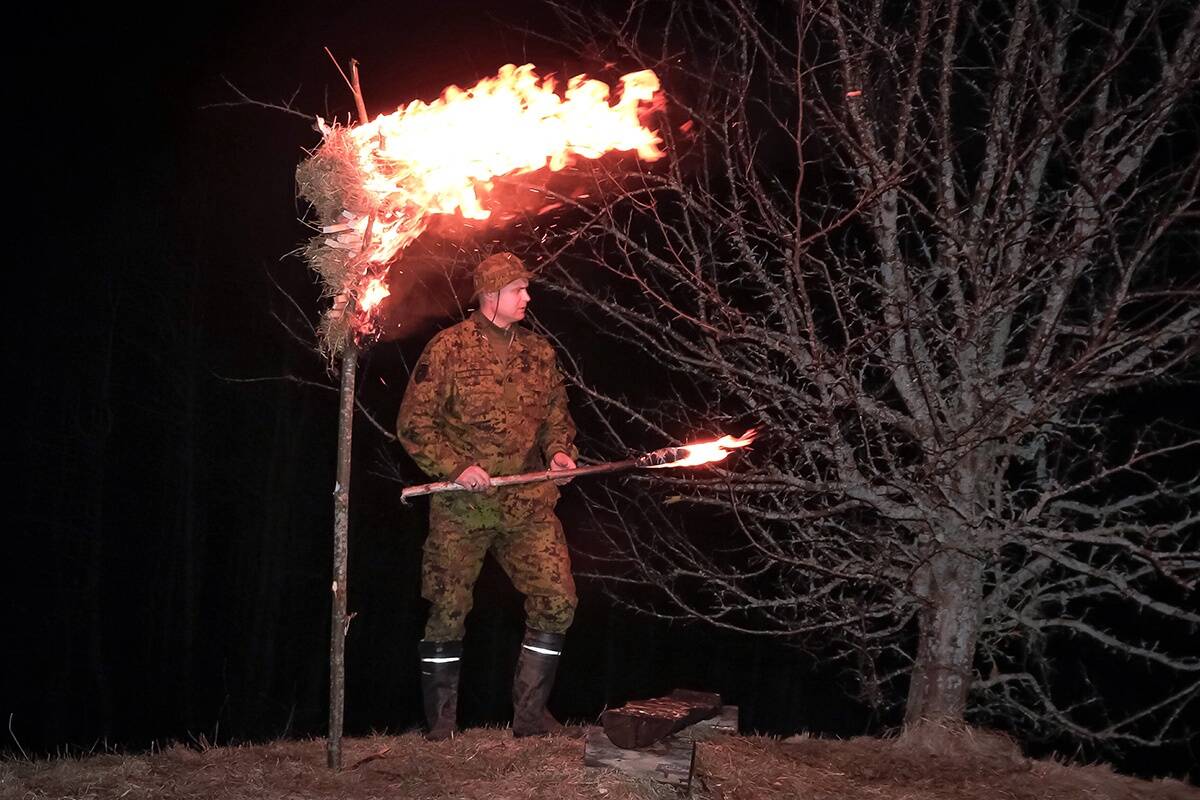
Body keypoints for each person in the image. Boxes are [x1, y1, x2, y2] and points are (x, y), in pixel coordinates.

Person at [396, 252, 579, 740]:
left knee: (558, 599)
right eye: (519, 289)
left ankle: (530, 717)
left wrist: (560, 454)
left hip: (527, 503)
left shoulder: (539, 353)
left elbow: (557, 416)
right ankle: (441, 726)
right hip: (462, 506)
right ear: (490, 294)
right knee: (447, 607)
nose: (528, 297)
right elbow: (414, 425)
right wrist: (457, 467)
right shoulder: (448, 349)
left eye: (526, 288)